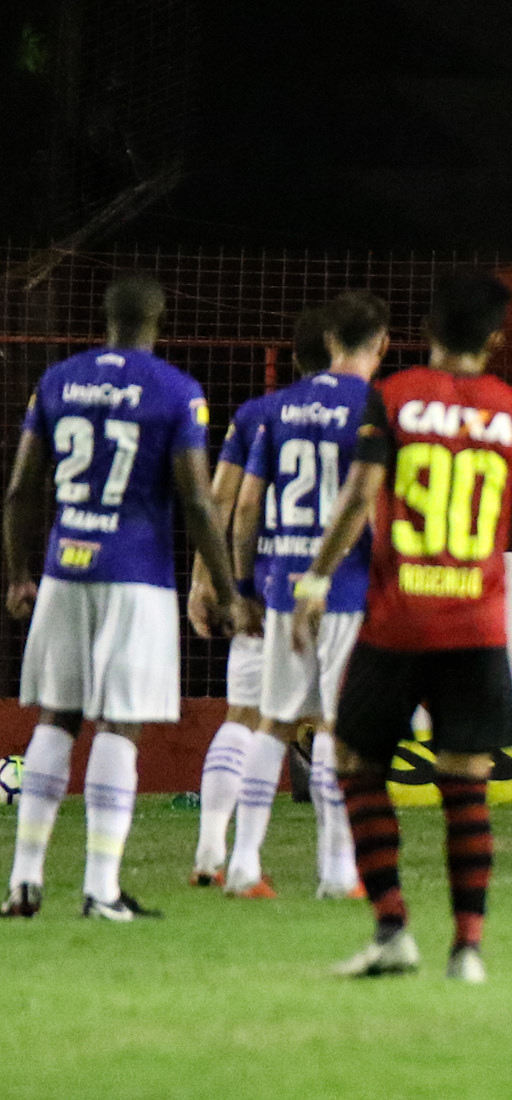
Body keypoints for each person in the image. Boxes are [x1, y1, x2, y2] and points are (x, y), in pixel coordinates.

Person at [291, 271, 512, 982]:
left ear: (424, 331)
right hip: (475, 628)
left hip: (396, 623)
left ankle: (393, 928)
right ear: (496, 338)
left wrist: (318, 577)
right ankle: (469, 948)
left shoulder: (392, 398)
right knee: (466, 783)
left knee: (355, 765)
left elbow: (361, 495)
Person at [1, 272, 237, 920]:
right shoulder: (174, 391)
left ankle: (23, 882)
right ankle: (101, 889)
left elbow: (22, 489)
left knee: (56, 717)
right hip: (134, 576)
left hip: (64, 568)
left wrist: (20, 574)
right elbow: (194, 497)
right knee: (119, 724)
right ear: (157, 322)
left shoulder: (56, 382)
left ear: (105, 321)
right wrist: (224, 584)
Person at [226, 292, 388, 900]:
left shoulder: (276, 408)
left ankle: (243, 864)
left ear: (326, 343)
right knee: (338, 728)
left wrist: (243, 586)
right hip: (346, 586)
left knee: (274, 722)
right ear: (383, 343)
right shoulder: (377, 407)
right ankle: (337, 872)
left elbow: (245, 507)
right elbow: (375, 501)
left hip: (281, 584)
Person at [186, 306, 330, 888]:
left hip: (263, 585)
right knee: (326, 724)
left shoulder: (256, 415)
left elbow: (223, 503)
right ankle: (339, 865)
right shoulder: (361, 414)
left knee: (243, 717)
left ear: (294, 359)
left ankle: (209, 852)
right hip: (330, 590)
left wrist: (209, 581)